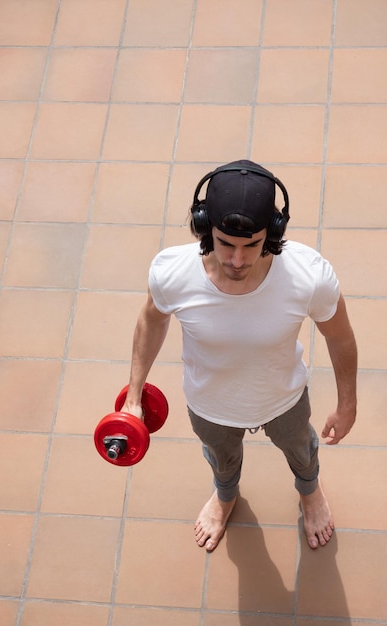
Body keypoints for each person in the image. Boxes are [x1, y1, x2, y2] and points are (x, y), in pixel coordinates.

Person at [121, 159, 357, 551]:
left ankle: (310, 492)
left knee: (302, 450)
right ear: (203, 226)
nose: (237, 260)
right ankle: (226, 495)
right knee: (220, 459)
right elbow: (151, 322)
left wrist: (347, 404)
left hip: (285, 399)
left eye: (252, 245)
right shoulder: (171, 272)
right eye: (225, 243)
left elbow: (341, 338)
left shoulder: (308, 276)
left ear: (274, 232)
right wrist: (133, 397)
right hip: (209, 405)